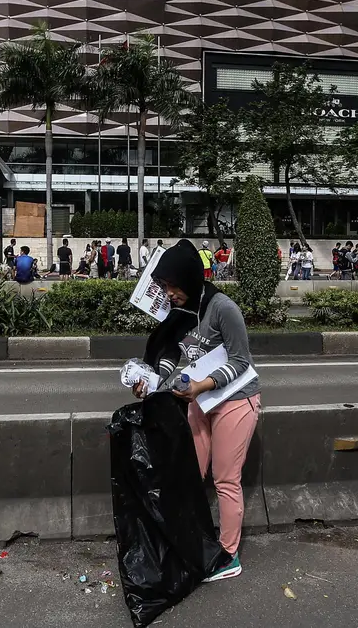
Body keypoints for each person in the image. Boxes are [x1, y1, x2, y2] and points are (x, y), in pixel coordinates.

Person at [132, 239, 259, 583]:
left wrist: (203, 385)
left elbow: (242, 361)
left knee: (225, 480)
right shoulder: (182, 311)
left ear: (189, 279)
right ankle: (192, 541)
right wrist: (153, 378)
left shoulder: (222, 308)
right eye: (164, 286)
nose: (168, 293)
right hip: (199, 402)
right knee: (188, 474)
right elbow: (174, 353)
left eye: (172, 285)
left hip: (234, 400)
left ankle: (229, 555)